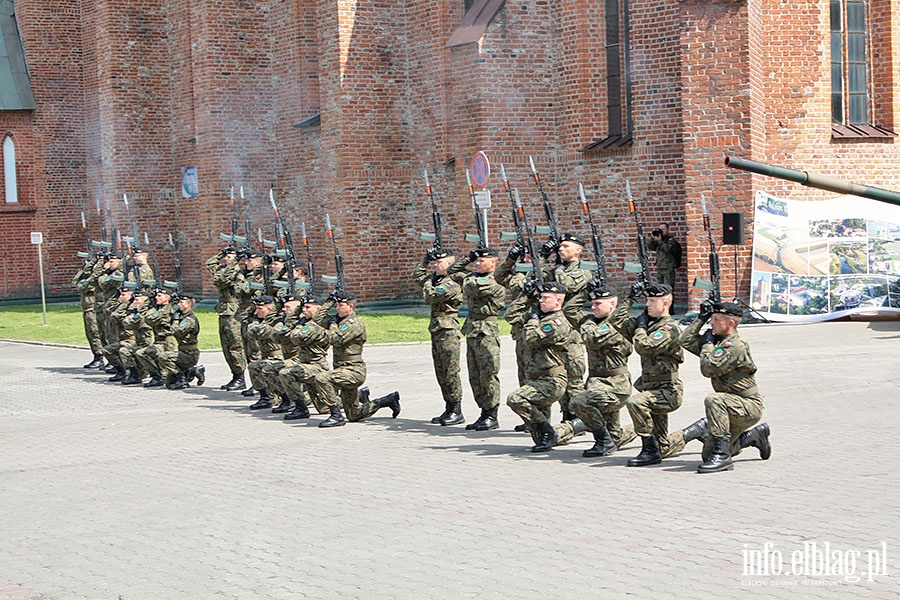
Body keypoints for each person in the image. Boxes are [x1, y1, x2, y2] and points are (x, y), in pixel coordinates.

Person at [671, 300, 771, 473]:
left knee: (714, 400)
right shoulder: (718, 342)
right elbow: (685, 340)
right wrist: (700, 318)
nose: (712, 323)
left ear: (730, 323)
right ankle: (753, 437)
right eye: (711, 318)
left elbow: (708, 368)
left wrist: (707, 344)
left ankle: (723, 457)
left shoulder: (736, 346)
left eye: (717, 319)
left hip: (747, 406)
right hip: (729, 406)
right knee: (707, 455)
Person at [610, 282, 684, 467]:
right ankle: (696, 431)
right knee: (663, 446)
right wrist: (630, 299)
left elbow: (645, 347)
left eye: (652, 301)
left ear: (665, 303)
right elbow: (614, 321)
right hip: (651, 387)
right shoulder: (649, 324)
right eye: (646, 300)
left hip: (668, 390)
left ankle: (648, 450)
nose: (647, 305)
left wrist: (640, 328)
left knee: (636, 402)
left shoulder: (669, 329)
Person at [563, 285, 637, 457]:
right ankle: (641, 427)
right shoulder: (592, 321)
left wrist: (630, 301)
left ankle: (603, 443)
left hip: (615, 385)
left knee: (578, 402)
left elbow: (594, 339)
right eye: (592, 303)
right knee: (615, 435)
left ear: (613, 304)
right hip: (596, 383)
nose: (593, 307)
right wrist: (586, 290)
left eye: (598, 304)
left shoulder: (623, 325)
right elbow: (569, 310)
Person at [312, 291, 401, 427]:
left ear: (351, 307)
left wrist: (333, 323)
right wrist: (329, 301)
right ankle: (387, 400)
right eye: (336, 305)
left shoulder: (354, 323)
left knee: (322, 378)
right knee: (354, 415)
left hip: (353, 371)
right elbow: (317, 318)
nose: (337, 308)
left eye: (341, 305)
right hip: (341, 370)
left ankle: (336, 415)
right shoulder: (338, 321)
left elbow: (334, 339)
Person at [506, 282, 571, 452]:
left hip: (551, 380)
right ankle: (569, 429)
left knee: (516, 399)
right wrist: (525, 297)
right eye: (540, 297)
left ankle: (551, 432)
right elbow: (510, 316)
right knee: (541, 439)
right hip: (535, 378)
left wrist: (533, 319)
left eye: (545, 298)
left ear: (558, 301)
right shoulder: (539, 318)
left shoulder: (557, 323)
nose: (541, 301)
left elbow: (531, 338)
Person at [448, 247, 507, 431]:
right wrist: (467, 258)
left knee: (488, 374)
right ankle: (483, 411)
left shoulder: (495, 280)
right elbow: (452, 271)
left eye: (482, 260)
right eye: (477, 260)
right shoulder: (473, 276)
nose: (478, 263)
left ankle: (492, 414)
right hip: (473, 330)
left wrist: (469, 278)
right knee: (475, 374)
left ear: (493, 262)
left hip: (487, 332)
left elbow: (473, 287)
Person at [411, 247, 465, 426]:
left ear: (450, 264)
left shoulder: (452, 283)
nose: (435, 265)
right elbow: (417, 275)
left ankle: (456, 409)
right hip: (436, 328)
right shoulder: (435, 279)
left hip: (448, 329)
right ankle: (448, 407)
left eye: (438, 262)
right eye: (434, 262)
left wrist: (430, 280)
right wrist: (425, 261)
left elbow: (431, 296)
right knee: (440, 370)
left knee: (450, 370)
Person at [278, 295, 332, 421]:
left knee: (286, 373)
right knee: (323, 408)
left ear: (318, 309)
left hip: (317, 366)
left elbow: (295, 337)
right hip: (305, 364)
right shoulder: (306, 322)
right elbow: (283, 332)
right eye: (303, 307)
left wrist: (299, 325)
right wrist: (297, 311)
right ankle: (357, 397)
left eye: (308, 307)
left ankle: (301, 408)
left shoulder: (321, 323)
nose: (304, 310)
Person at [205, 246, 246, 391]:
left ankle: (240, 377)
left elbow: (222, 280)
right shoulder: (223, 269)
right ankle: (234, 374)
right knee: (226, 345)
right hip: (223, 311)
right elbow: (210, 263)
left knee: (235, 345)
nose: (226, 259)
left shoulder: (237, 272)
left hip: (233, 311)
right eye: (226, 257)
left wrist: (235, 262)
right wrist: (221, 253)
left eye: (230, 256)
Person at [245, 295, 286, 410]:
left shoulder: (278, 321)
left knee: (267, 369)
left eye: (260, 309)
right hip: (267, 356)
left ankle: (286, 398)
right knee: (253, 367)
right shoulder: (259, 320)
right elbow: (250, 330)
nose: (256, 311)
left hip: (279, 356)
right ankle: (265, 398)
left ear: (270, 309)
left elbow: (260, 331)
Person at [159, 293, 203, 390]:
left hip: (189, 354)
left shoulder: (189, 319)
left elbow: (176, 331)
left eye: (181, 302)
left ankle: (182, 379)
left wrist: (175, 320)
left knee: (163, 356)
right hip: (182, 352)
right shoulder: (181, 316)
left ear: (189, 304)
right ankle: (192, 371)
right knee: (168, 382)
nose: (179, 304)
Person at [73, 253, 105, 369]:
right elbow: (76, 281)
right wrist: (87, 268)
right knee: (90, 333)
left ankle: (101, 356)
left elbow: (86, 286)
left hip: (94, 308)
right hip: (87, 308)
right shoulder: (87, 274)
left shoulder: (98, 277)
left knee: (96, 332)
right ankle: (96, 355)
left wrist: (96, 268)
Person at [647, 223, 682, 298]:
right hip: (660, 269)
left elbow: (667, 249)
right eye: (660, 229)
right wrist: (653, 239)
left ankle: (670, 309)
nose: (661, 231)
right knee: (659, 289)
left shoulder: (671, 240)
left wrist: (660, 241)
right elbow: (650, 247)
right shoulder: (660, 240)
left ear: (668, 230)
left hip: (668, 269)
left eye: (663, 229)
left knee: (668, 290)